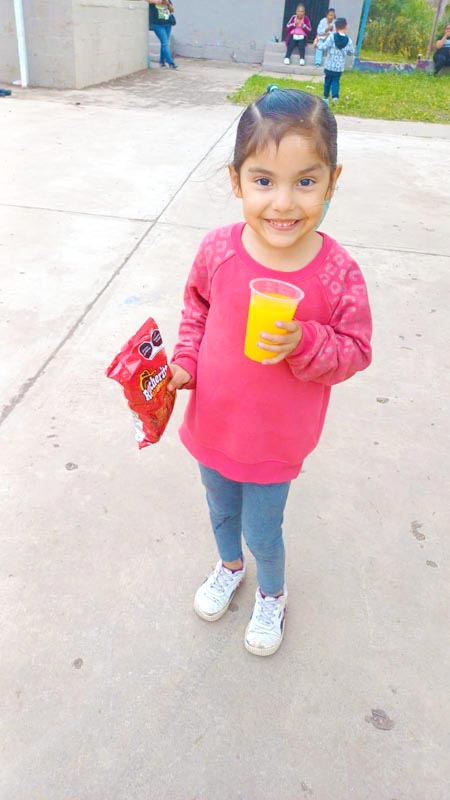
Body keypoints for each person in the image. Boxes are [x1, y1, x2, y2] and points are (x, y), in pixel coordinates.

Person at [168, 86, 372, 657]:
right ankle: (229, 568)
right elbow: (196, 311)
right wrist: (184, 365)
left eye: (305, 182)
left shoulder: (337, 273)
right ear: (236, 181)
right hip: (213, 424)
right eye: (263, 180)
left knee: (263, 528)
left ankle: (272, 594)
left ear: (332, 182)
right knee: (220, 510)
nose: (283, 203)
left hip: (275, 440)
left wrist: (306, 341)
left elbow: (356, 349)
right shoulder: (218, 251)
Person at [315, 17, 354, 103]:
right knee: (336, 81)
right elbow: (351, 52)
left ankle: (325, 97)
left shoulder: (332, 37)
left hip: (329, 65)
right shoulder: (348, 40)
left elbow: (324, 47)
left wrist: (317, 44)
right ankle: (335, 97)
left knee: (327, 81)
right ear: (345, 26)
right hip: (339, 67)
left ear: (335, 27)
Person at [147, 0, 178, 69]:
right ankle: (171, 63)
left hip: (167, 24)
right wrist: (156, 2)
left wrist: (167, 3)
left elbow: (172, 10)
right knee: (165, 43)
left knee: (164, 43)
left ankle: (162, 62)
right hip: (157, 25)